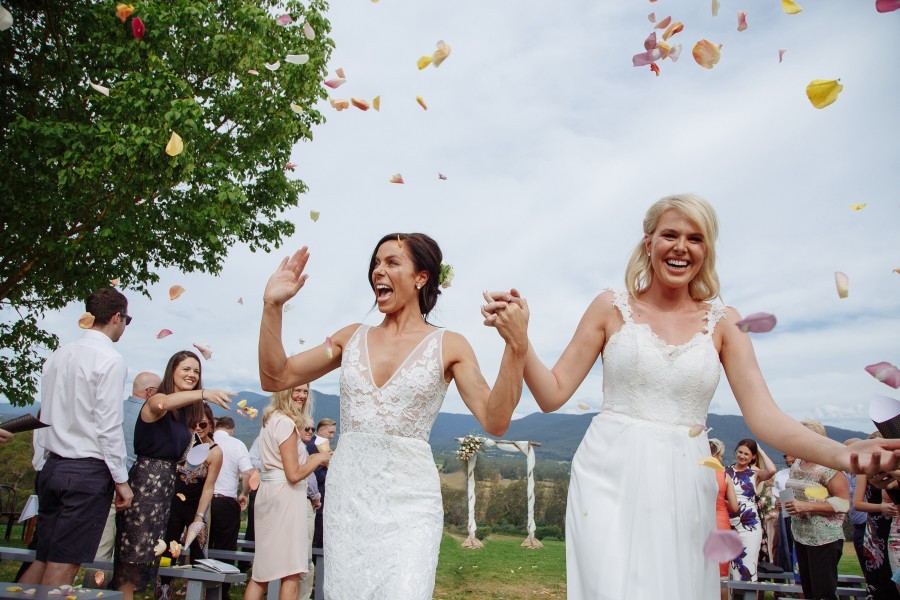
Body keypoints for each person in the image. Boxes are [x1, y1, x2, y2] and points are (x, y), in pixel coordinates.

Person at [481, 193, 900, 599]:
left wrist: (844, 455)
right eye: (670, 235)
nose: (681, 247)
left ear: (707, 250)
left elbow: (765, 416)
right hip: (608, 472)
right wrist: (520, 340)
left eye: (695, 238)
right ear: (649, 243)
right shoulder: (610, 306)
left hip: (686, 476)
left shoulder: (723, 323)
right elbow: (553, 394)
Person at [257, 233, 528, 599]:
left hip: (410, 503)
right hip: (349, 502)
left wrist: (516, 346)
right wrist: (272, 307)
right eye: (376, 263)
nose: (378, 271)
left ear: (421, 277)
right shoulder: (349, 338)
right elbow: (276, 376)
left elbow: (495, 420)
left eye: (391, 262)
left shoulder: (450, 345)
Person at [21, 287, 134, 587]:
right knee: (64, 563)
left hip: (52, 466)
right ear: (116, 317)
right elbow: (108, 426)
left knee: (43, 556)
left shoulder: (59, 355)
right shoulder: (110, 359)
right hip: (86, 471)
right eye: (127, 319)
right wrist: (121, 481)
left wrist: (40, 461)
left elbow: (44, 414)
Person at [111, 350, 233, 600]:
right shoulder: (156, 401)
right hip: (146, 484)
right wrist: (204, 393)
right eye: (186, 369)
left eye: (197, 371)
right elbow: (164, 404)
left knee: (151, 555)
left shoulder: (184, 417)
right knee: (132, 557)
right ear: (172, 371)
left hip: (167, 488)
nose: (192, 374)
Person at [243, 391, 329, 600]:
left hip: (271, 494)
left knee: (262, 571)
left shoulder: (271, 420)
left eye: (305, 391)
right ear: (284, 393)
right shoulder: (286, 423)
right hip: (285, 497)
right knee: (291, 572)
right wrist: (318, 458)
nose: (301, 395)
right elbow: (293, 474)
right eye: (296, 390)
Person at [157, 403, 223, 600]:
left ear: (211, 425)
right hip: (172, 505)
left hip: (197, 506)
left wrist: (200, 516)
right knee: (167, 551)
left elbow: (209, 486)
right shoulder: (180, 443)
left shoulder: (215, 452)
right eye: (192, 423)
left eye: (202, 424)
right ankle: (162, 593)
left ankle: (195, 594)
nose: (197, 428)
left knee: (197, 554)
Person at [782, 420, 849, 599]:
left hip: (824, 538)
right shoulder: (797, 463)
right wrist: (786, 503)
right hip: (801, 534)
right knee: (809, 592)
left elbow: (844, 504)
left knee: (824, 592)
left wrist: (807, 506)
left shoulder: (830, 467)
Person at [210, 416, 254, 598]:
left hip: (202, 500)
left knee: (201, 545)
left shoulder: (207, 440)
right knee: (225, 547)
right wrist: (244, 494)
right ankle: (221, 591)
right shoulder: (237, 444)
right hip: (225, 501)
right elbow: (247, 473)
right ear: (232, 429)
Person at [854, 433, 900, 600]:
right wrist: (881, 507)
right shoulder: (864, 471)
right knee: (879, 578)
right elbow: (857, 504)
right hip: (877, 530)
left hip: (894, 525)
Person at [726, 438, 777, 582]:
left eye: (746, 454)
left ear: (753, 456)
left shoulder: (755, 474)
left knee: (748, 565)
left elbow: (772, 470)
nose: (742, 456)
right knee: (732, 568)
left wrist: (760, 450)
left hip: (750, 524)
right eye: (740, 452)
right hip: (730, 523)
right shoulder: (726, 471)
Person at [709, 438, 738, 600]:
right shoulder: (724, 475)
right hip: (721, 522)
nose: (721, 459)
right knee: (721, 575)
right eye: (721, 456)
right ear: (718, 454)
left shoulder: (695, 471)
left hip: (700, 523)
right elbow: (734, 507)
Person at [308, 417, 336, 553]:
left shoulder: (323, 446)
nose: (332, 436)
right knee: (316, 532)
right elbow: (313, 472)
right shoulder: (313, 446)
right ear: (320, 430)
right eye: (330, 432)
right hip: (317, 492)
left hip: (323, 494)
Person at [772, 453, 797, 573]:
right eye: (785, 456)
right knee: (784, 546)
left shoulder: (804, 474)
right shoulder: (781, 475)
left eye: (790, 455)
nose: (788, 458)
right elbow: (775, 495)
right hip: (785, 514)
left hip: (802, 514)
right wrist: (777, 503)